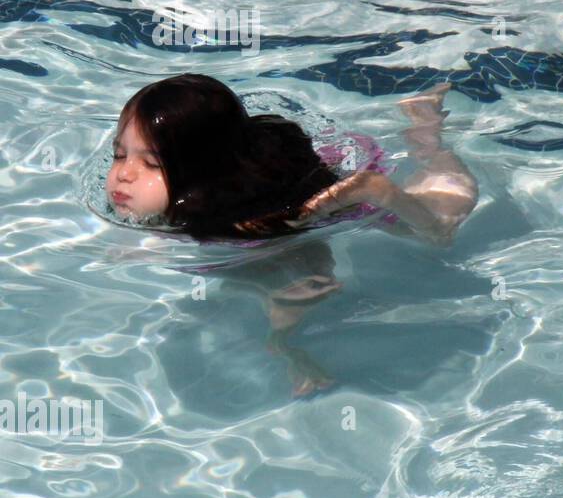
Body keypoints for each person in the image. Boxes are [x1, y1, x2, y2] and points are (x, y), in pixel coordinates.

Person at [106, 73, 478, 395]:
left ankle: (427, 140)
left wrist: (287, 343)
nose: (124, 174)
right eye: (119, 155)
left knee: (442, 227)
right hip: (266, 178)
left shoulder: (246, 225)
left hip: (341, 197)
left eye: (151, 163)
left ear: (202, 177)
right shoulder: (183, 207)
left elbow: (313, 261)